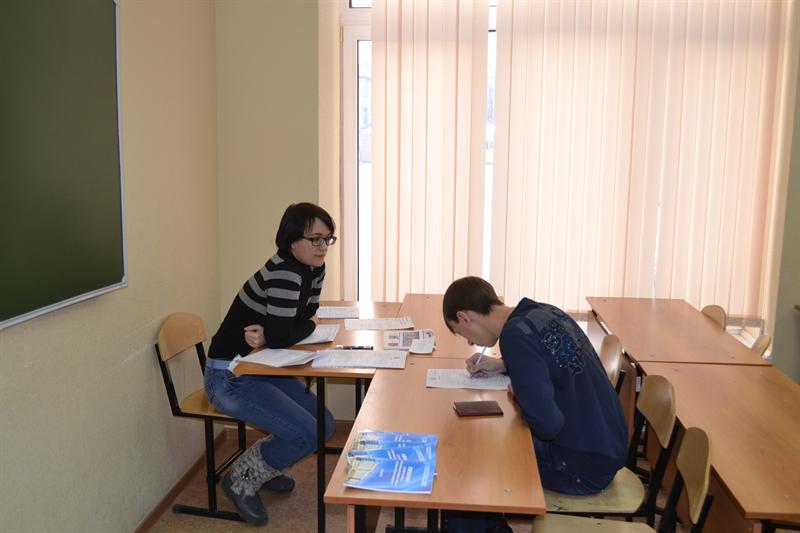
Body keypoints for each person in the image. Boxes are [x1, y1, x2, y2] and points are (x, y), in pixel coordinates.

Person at [204, 202, 337, 526]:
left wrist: (275, 334)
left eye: (328, 239)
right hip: (230, 376)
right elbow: (288, 332)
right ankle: (241, 478)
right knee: (308, 432)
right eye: (315, 239)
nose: (322, 247)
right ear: (292, 240)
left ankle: (265, 464)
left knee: (325, 424)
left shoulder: (313, 269)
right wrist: (279, 333)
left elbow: (301, 322)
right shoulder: (285, 272)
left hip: (262, 365)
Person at [442, 276, 628, 496]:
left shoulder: (514, 336)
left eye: (462, 334)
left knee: (478, 455)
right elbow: (554, 364)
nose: (470, 342)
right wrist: (506, 366)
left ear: (464, 317)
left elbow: (547, 425)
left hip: (581, 467)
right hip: (606, 447)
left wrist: (521, 392)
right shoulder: (542, 311)